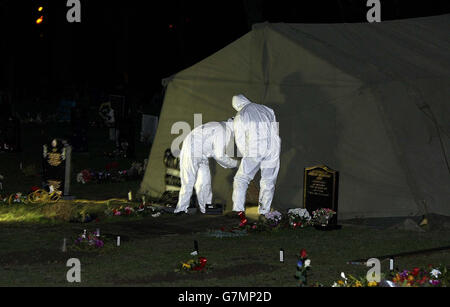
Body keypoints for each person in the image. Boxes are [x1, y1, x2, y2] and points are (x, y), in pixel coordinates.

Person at [174, 120, 239, 214]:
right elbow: (219, 155)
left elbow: (213, 151)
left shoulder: (221, 127)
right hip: (191, 150)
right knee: (188, 181)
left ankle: (205, 209)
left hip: (202, 154)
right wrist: (236, 164)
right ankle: (181, 210)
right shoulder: (224, 131)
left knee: (204, 182)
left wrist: (232, 163)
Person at [231, 94, 281, 216]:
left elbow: (240, 139)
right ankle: (264, 212)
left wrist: (246, 155)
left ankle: (238, 211)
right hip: (273, 148)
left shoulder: (241, 114)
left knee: (241, 179)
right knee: (268, 181)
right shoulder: (267, 109)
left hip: (255, 149)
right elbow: (275, 129)